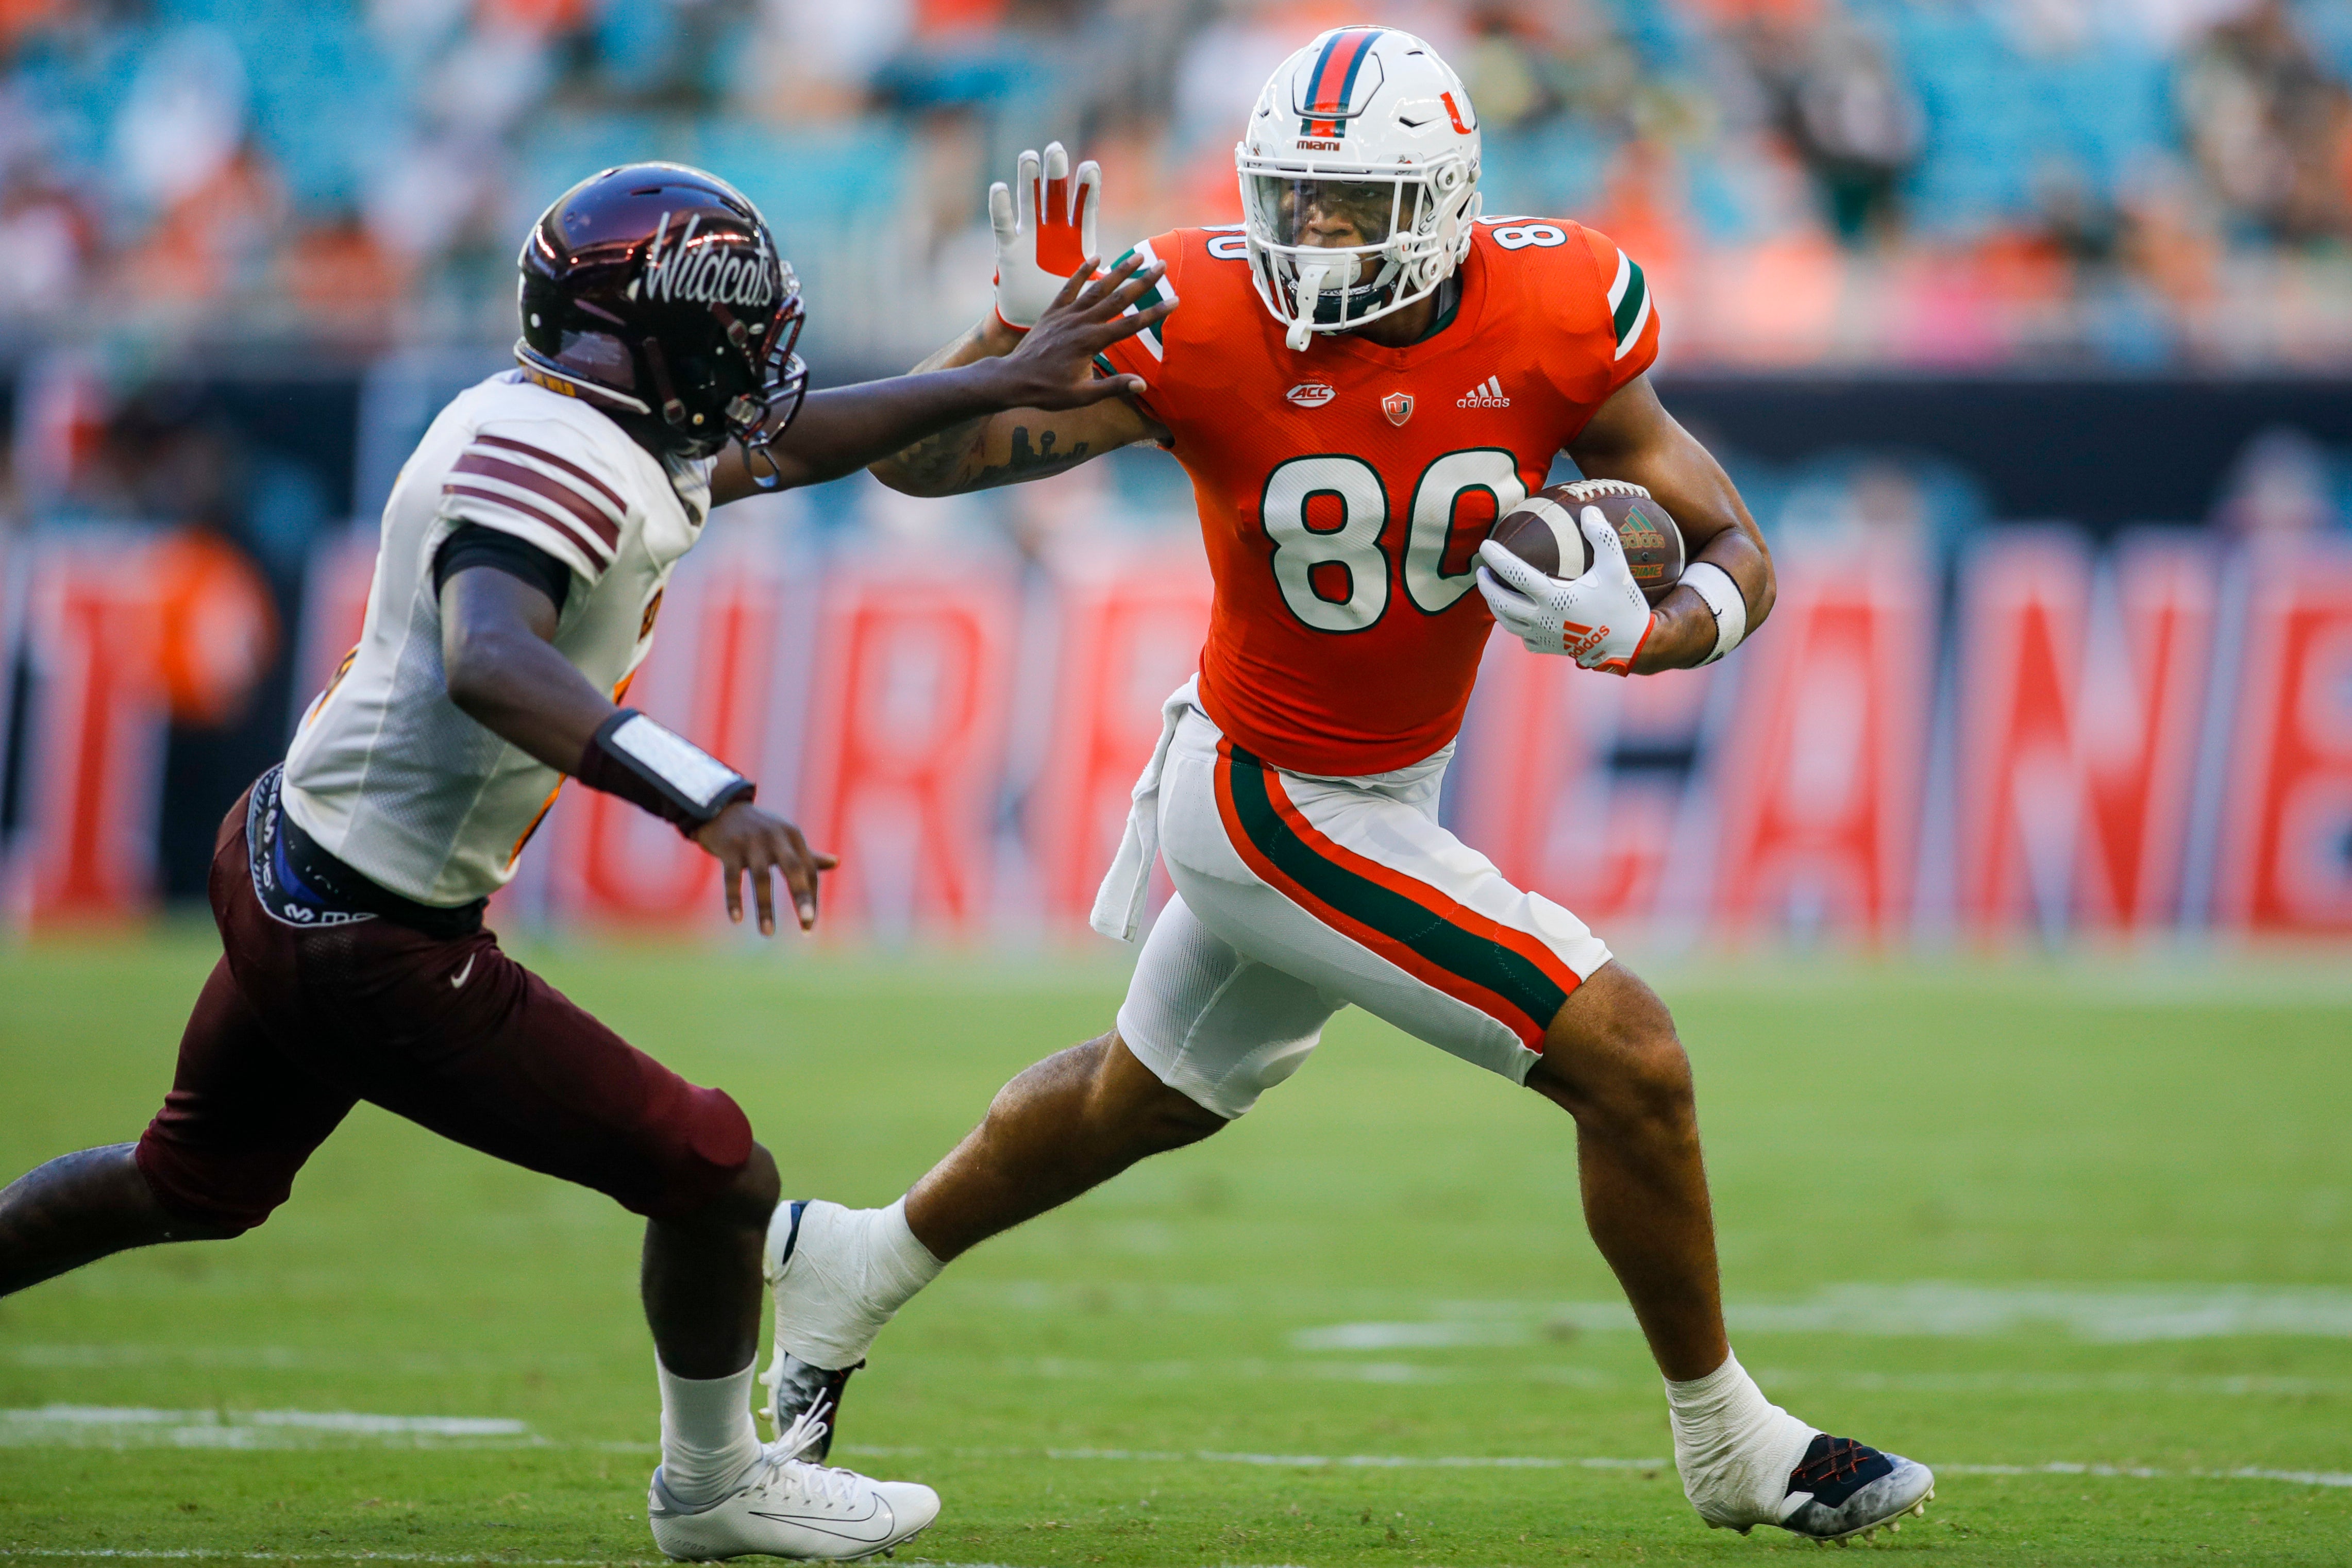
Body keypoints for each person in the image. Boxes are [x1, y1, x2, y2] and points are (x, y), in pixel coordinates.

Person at [756, 30, 1935, 1546]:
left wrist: (1646, 631)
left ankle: (856, 1261)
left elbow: (1738, 550)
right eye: (1290, 200)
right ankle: (1732, 1439)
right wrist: (1006, 336)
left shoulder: (1557, 305)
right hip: (1264, 796)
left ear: (1444, 201)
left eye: (1352, 204)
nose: (1311, 239)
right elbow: (923, 469)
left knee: (1142, 1098)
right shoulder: (1200, 312)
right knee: (1628, 1056)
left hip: (1379, 785)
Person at [0, 163, 1168, 1563]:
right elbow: (494, 657)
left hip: (286, 851)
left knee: (186, 1182)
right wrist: (706, 793)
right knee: (717, 1171)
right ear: (653, 333)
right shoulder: (554, 455)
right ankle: (717, 1485)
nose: (757, 363)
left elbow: (796, 441)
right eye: (734, 332)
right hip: (371, 935)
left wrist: (997, 377)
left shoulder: (590, 417)